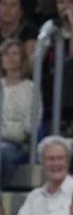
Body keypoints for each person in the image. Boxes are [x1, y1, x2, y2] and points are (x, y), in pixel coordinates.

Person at [18, 136, 73, 215]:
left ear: (68, 162)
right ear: (42, 164)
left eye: (60, 158)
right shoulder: (34, 197)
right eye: (50, 159)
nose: (55, 163)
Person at [0, 39, 32, 187]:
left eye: (15, 53)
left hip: (15, 145)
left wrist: (5, 131)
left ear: (22, 59)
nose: (10, 57)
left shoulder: (30, 88)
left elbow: (28, 128)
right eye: (6, 53)